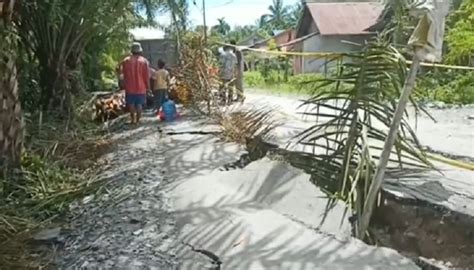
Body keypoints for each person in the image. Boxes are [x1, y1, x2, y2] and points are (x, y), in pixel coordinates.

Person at [119, 42, 150, 125]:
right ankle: (138, 121)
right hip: (141, 87)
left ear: (132, 51)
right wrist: (148, 87)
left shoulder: (125, 61)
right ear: (140, 51)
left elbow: (121, 73)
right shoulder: (144, 61)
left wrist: (122, 84)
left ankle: (132, 120)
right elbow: (146, 75)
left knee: (131, 104)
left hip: (129, 87)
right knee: (139, 104)